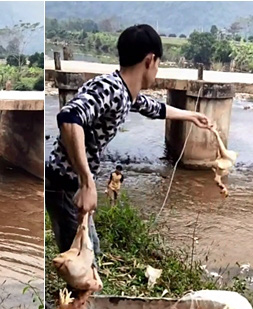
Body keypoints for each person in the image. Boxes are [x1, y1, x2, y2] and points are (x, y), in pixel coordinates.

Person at [46, 24, 211, 260]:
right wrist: (86, 182)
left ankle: (83, 293)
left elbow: (153, 108)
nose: (157, 71)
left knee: (92, 252)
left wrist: (192, 116)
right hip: (65, 184)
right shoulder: (111, 89)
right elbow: (69, 118)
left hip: (71, 184)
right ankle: (76, 296)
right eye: (159, 64)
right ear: (150, 60)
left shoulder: (123, 91)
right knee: (79, 266)